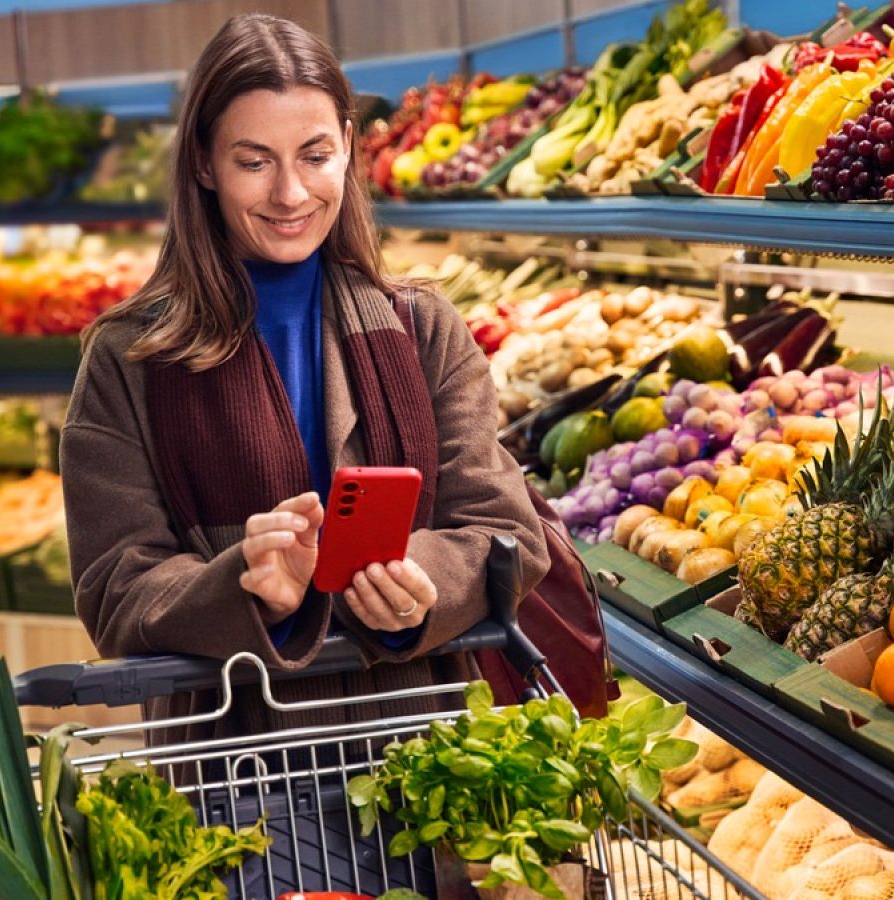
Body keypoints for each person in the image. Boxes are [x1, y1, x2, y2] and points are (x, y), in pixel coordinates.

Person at [60, 13, 550, 744]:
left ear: (349, 147)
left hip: (428, 749)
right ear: (203, 165)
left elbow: (510, 534)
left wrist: (416, 580)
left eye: (315, 155)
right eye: (253, 162)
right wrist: (243, 585)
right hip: (236, 763)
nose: (291, 193)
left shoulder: (422, 328)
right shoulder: (130, 358)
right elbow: (114, 588)